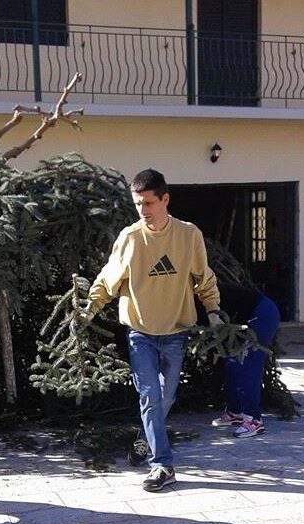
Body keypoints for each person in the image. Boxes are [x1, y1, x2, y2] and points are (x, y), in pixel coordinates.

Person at [87, 169, 221, 492]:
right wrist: (89, 308)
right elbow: (108, 279)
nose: (143, 211)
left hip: (176, 331)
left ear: (165, 200)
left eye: (149, 203)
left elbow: (204, 278)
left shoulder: (189, 236)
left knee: (166, 396)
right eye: (138, 204)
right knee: (149, 395)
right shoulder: (130, 238)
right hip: (140, 332)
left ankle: (145, 439)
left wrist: (214, 311)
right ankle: (162, 465)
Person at [208, 282, 281, 437]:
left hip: (261, 315)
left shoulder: (205, 294)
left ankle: (254, 420)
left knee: (248, 366)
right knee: (231, 364)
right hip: (248, 318)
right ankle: (235, 412)